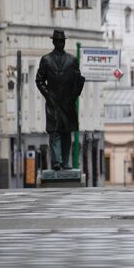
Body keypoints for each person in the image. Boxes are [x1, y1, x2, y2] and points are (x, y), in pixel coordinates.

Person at [36, 29, 85, 171]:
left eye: (62, 41)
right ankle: (57, 161)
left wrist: (75, 91)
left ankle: (65, 162)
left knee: (66, 132)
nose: (60, 43)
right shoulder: (46, 60)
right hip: (53, 101)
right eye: (58, 41)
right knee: (54, 132)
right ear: (53, 42)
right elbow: (39, 80)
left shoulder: (72, 60)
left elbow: (77, 79)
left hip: (68, 102)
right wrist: (47, 94)